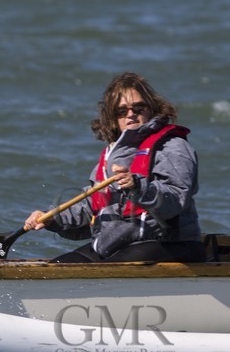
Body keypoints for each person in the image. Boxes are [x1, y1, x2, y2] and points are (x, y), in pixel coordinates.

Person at [25, 72, 203, 263]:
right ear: (113, 118)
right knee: (59, 268)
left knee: (102, 271)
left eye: (138, 107)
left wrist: (138, 187)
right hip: (118, 244)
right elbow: (92, 205)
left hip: (170, 243)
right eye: (122, 111)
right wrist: (54, 219)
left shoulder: (173, 146)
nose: (131, 114)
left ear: (152, 108)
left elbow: (176, 199)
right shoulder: (111, 155)